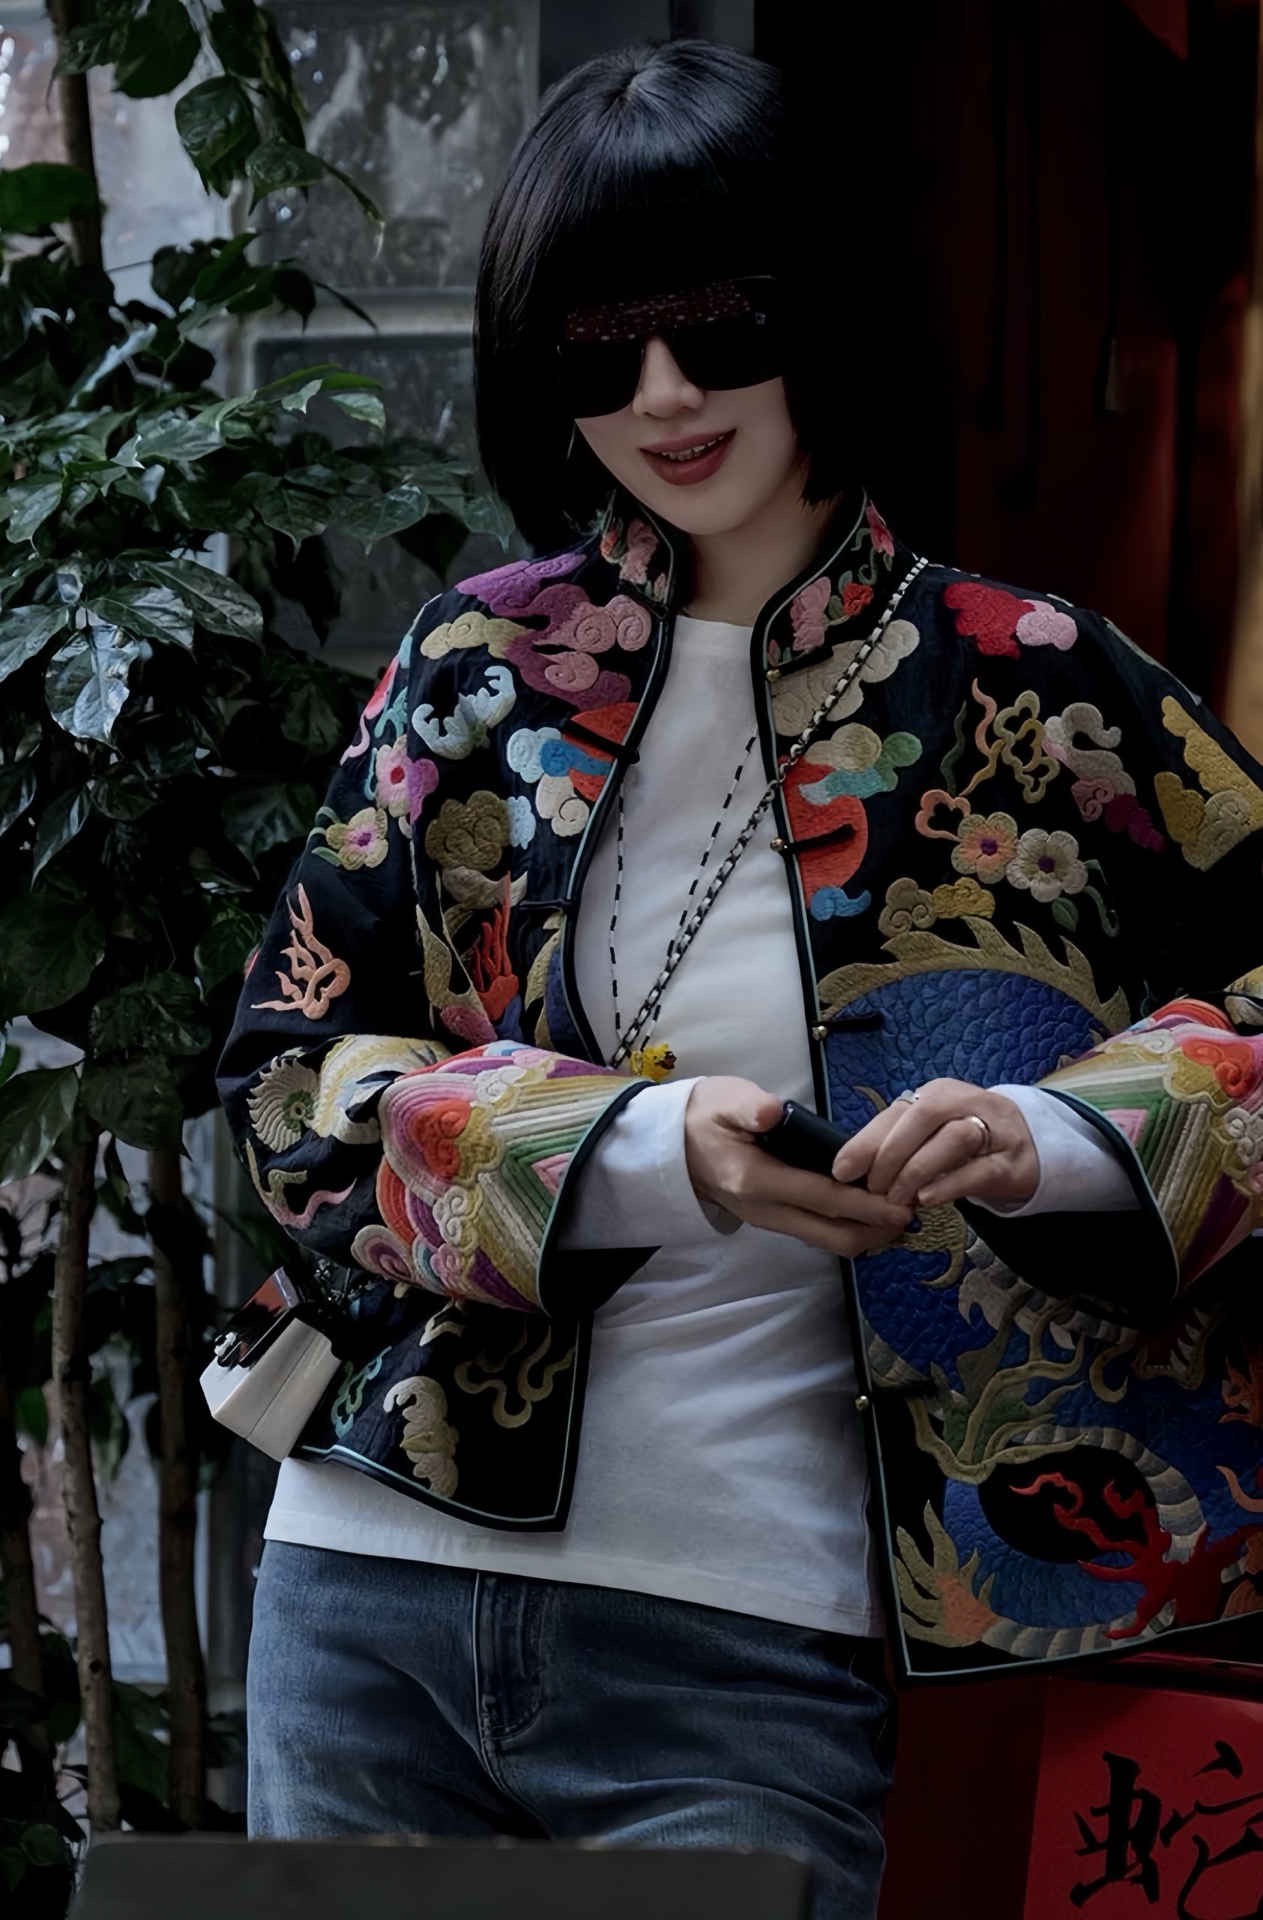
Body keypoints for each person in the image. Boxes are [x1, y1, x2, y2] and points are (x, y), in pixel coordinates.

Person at [217, 39, 1263, 1920]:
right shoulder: (475, 674)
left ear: (827, 308)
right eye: (599, 346)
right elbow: (292, 1084)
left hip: (745, 1637)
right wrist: (640, 1150)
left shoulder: (1031, 681)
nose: (664, 396)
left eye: (718, 327)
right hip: (368, 1587)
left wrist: (1054, 1139)